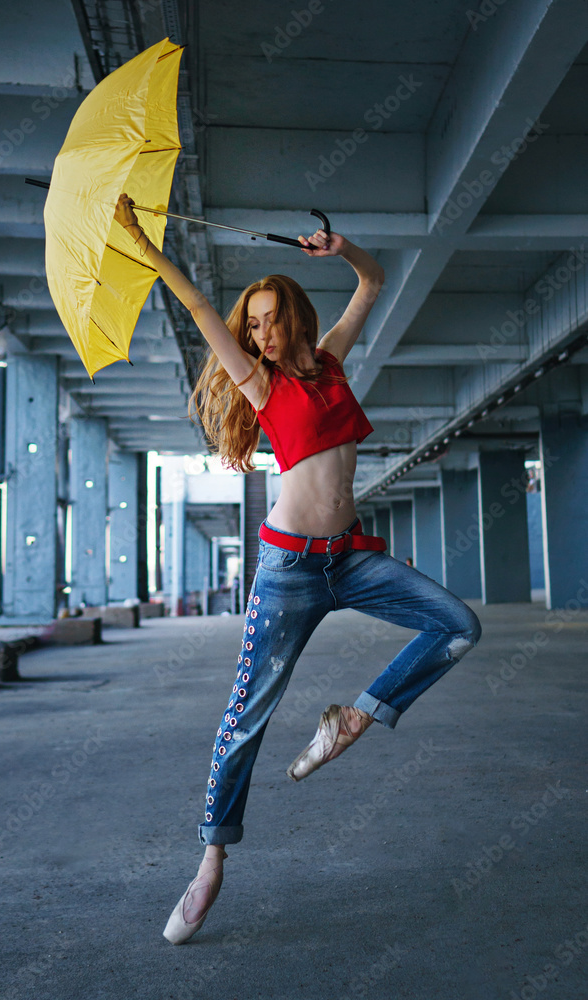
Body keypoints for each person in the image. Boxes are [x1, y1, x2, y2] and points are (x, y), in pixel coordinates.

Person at [114, 194, 482, 945]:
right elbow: (192, 305)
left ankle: (354, 717)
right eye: (248, 324)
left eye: (265, 320)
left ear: (294, 318)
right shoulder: (261, 385)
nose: (256, 333)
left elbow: (372, 283)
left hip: (350, 557)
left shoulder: (333, 365)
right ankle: (211, 858)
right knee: (245, 715)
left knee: (458, 625)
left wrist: (341, 248)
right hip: (288, 570)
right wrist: (143, 244)